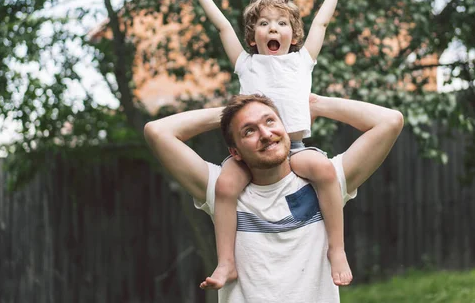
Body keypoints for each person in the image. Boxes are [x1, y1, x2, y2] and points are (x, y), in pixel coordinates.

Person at [178, 0, 358, 288]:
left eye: (281, 23)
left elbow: (322, 23)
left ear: (293, 35)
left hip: (295, 149)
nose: (272, 28)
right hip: (251, 155)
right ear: (252, 37)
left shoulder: (302, 60)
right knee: (224, 186)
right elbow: (221, 26)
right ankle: (227, 263)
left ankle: (338, 249)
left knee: (325, 170)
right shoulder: (246, 63)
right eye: (264, 24)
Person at [144, 93, 403, 303]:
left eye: (270, 121)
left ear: (284, 127)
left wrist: (314, 103)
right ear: (235, 152)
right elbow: (157, 132)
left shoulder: (325, 181)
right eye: (249, 131)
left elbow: (390, 121)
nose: (266, 134)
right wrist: (229, 112)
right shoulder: (223, 190)